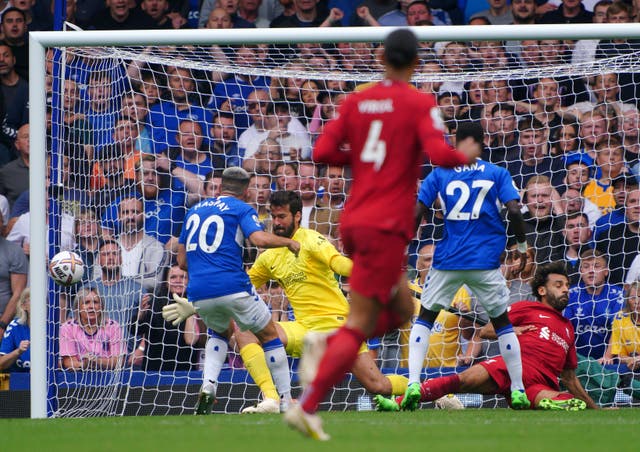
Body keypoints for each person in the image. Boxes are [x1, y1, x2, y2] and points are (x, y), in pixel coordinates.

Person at [283, 29, 479, 441]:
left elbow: (321, 154)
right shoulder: (419, 103)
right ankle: (310, 396)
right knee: (362, 322)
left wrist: (363, 156)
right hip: (386, 224)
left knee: (402, 310)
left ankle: (330, 351)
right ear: (416, 62)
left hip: (353, 221)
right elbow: (440, 156)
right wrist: (466, 155)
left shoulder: (355, 101)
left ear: (381, 57)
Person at [231, 191, 409, 414]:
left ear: (297, 216)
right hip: (305, 329)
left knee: (378, 385)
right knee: (245, 331)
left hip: (337, 327)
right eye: (274, 217)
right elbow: (241, 287)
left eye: (282, 217)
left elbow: (339, 263)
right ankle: (273, 399)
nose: (276, 223)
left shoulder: (312, 239)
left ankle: (425, 388)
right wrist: (198, 301)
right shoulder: (269, 256)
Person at [406, 121, 530, 413]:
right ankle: (519, 389)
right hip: (485, 262)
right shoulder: (497, 172)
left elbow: (418, 211)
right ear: (481, 142)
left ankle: (413, 382)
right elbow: (514, 210)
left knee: (425, 317)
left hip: (448, 260)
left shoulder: (439, 173)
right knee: (502, 324)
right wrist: (522, 247)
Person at [160, 167, 300, 415]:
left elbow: (181, 262)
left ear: (221, 187)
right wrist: (289, 242)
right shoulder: (242, 209)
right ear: (246, 191)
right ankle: (286, 399)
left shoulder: (194, 211)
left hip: (199, 291)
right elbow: (258, 239)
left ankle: (208, 386)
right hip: (233, 285)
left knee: (220, 331)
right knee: (269, 335)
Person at [374, 262, 599, 411]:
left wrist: (595, 409)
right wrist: (514, 331)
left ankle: (555, 402)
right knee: (462, 381)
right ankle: (399, 403)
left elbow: (569, 377)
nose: (566, 289)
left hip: (541, 382)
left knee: (567, 401)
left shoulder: (568, 328)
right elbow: (486, 330)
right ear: (542, 290)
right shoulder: (526, 308)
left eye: (567, 285)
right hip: (513, 365)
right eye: (559, 285)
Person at [563, 249, 624, 360]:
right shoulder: (571, 294)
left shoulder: (618, 295)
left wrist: (607, 357)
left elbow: (618, 329)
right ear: (581, 271)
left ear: (606, 271)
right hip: (576, 359)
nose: (591, 271)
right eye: (586, 267)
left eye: (596, 266)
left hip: (608, 361)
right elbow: (565, 327)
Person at [60, 287, 127, 370]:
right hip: (77, 380)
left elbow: (119, 361)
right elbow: (68, 362)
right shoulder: (68, 328)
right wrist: (84, 364)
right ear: (78, 307)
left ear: (101, 306)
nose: (91, 306)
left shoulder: (113, 326)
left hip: (107, 379)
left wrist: (96, 361)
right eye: (86, 302)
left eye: (95, 302)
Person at [0, 287, 30, 372]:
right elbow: (1, 364)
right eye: (33, 299)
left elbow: (61, 363)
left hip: (46, 381)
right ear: (24, 306)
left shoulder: (52, 326)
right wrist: (18, 351)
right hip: (18, 380)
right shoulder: (14, 326)